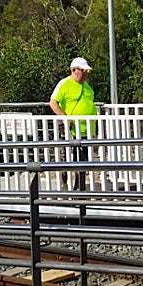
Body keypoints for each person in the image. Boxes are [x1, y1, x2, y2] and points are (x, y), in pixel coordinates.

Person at [49, 57, 97, 189]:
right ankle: (66, 185)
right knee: (70, 161)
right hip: (72, 130)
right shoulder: (64, 84)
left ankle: (79, 189)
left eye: (87, 71)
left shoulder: (87, 87)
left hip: (86, 130)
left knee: (82, 162)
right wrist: (64, 117)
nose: (86, 74)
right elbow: (53, 102)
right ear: (74, 70)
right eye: (83, 71)